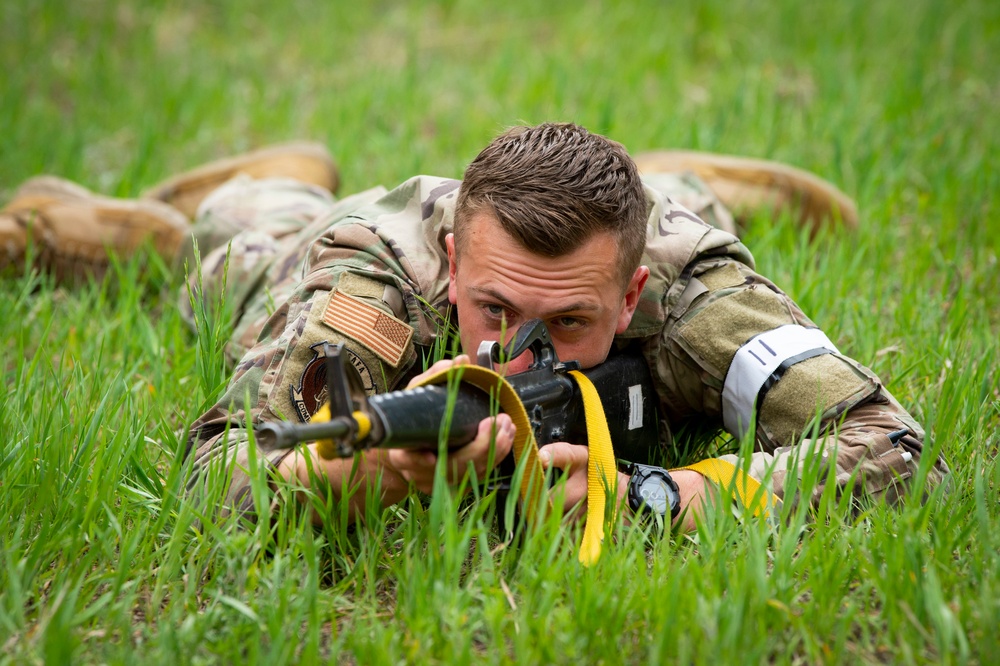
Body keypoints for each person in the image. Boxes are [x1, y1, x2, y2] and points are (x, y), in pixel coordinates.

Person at [0, 124, 949, 532]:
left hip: (647, 222)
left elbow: (897, 447)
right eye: (493, 309)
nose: (518, 348)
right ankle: (218, 191)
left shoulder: (693, 290)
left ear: (631, 300)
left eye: (570, 320)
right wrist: (355, 474)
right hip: (303, 241)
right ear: (455, 264)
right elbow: (215, 477)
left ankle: (684, 179)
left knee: (672, 211)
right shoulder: (375, 286)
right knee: (238, 244)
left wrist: (665, 499)